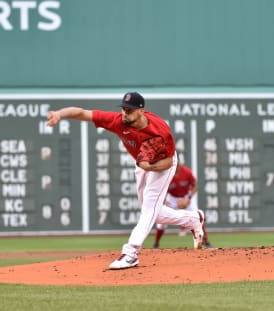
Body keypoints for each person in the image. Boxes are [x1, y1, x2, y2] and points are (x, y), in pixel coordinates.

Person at [46, 92, 204, 270]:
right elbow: (83, 113)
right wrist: (60, 114)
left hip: (162, 164)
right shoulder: (117, 121)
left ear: (141, 111)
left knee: (149, 209)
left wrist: (150, 168)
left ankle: (131, 253)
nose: (125, 113)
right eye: (123, 109)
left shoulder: (160, 131)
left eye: (129, 110)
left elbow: (168, 162)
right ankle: (193, 219)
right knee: (154, 213)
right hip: (142, 162)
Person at [153, 163, 212, 249]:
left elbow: (195, 186)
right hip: (172, 198)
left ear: (179, 164)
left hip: (185, 196)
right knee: (161, 221)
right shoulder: (166, 174)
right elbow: (159, 190)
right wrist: (165, 201)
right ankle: (156, 244)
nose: (175, 166)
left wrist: (188, 198)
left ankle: (206, 242)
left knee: (198, 217)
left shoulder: (186, 172)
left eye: (177, 164)